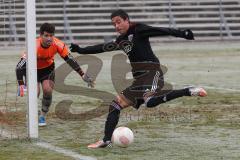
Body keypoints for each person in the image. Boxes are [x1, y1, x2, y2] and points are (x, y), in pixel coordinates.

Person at [70, 9, 207, 148]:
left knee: (150, 101)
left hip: (152, 72)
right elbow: (102, 48)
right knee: (115, 105)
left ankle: (187, 91)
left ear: (126, 20)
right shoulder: (121, 40)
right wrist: (81, 50)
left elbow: (160, 30)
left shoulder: (139, 29)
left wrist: (182, 33)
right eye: (113, 24)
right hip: (139, 80)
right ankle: (106, 140)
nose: (116, 26)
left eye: (118, 22)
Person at [16, 23, 95, 126]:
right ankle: (32, 113)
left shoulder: (58, 44)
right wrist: (21, 84)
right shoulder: (33, 46)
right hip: (32, 70)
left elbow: (70, 60)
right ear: (41, 36)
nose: (49, 38)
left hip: (47, 70)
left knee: (47, 90)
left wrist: (82, 75)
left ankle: (42, 116)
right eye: (46, 36)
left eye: (51, 35)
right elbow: (19, 67)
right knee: (35, 92)